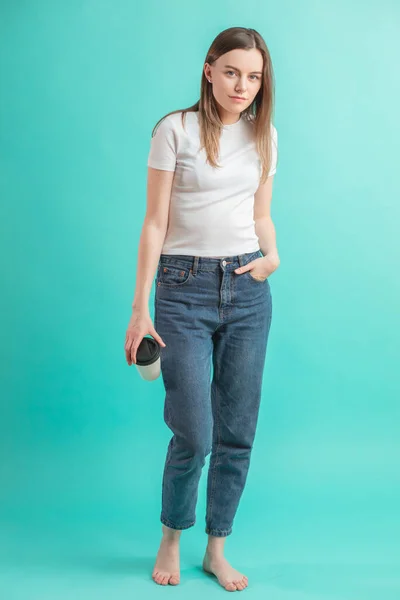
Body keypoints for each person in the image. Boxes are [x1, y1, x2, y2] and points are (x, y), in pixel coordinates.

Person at [124, 26, 279, 592]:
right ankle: (172, 534)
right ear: (209, 69)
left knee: (237, 430)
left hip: (247, 290)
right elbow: (155, 223)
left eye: (254, 76)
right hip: (182, 288)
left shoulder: (266, 136)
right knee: (195, 430)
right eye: (233, 71)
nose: (243, 86)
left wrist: (273, 256)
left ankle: (217, 547)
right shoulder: (175, 130)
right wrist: (140, 309)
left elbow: (260, 213)